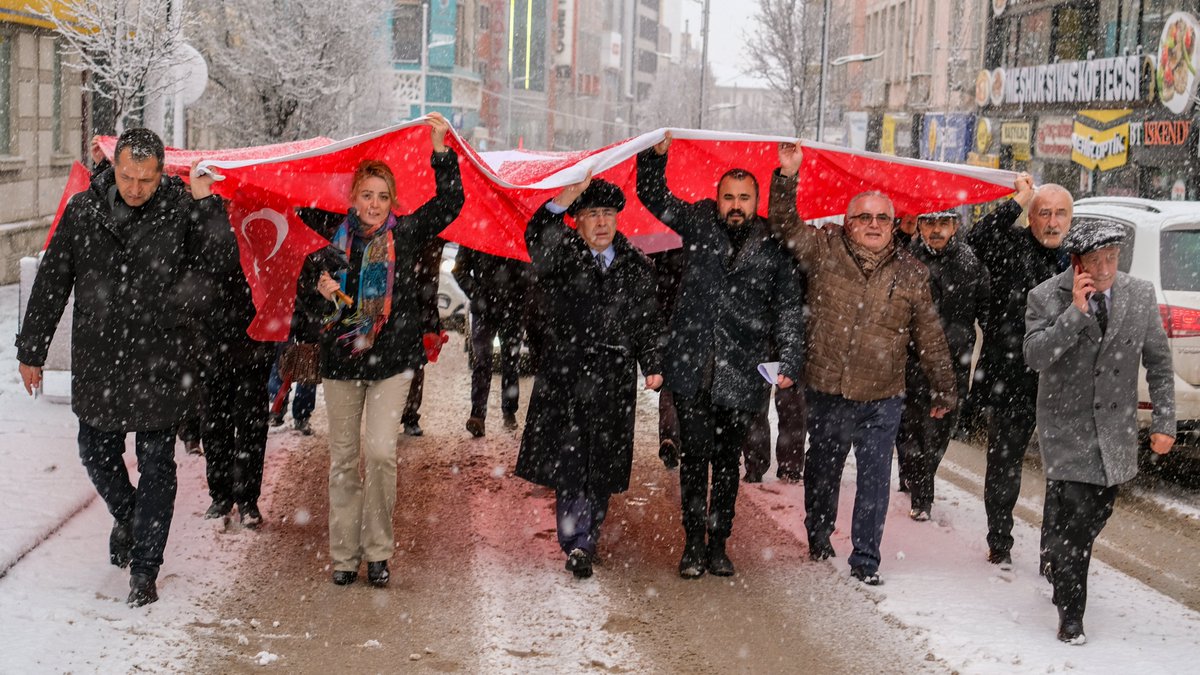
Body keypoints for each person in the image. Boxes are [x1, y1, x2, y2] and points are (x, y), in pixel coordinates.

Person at [16, 128, 234, 607]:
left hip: (162, 359)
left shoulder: (181, 211)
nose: (135, 188)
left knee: (158, 464)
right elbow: (52, 281)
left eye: (146, 179)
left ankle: (146, 568)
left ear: (162, 175)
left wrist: (207, 206)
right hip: (100, 360)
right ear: (113, 168)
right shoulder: (83, 210)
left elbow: (219, 268)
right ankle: (129, 514)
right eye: (127, 176)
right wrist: (31, 350)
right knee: (95, 451)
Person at [768, 142, 956, 585]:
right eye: (864, 217)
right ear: (849, 222)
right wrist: (787, 176)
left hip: (883, 396)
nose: (873, 225)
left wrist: (945, 387)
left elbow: (930, 334)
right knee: (824, 468)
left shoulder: (912, 273)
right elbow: (783, 224)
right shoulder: (823, 249)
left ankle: (866, 559)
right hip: (829, 388)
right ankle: (818, 536)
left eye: (882, 218)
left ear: (895, 225)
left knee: (875, 479)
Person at [637, 134, 805, 579]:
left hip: (742, 371)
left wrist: (789, 360)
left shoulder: (773, 243)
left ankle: (719, 544)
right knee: (695, 461)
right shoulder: (698, 223)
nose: (736, 204)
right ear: (717, 199)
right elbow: (652, 195)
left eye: (744, 198)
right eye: (728, 196)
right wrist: (656, 157)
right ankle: (693, 544)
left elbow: (789, 305)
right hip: (693, 368)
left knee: (728, 462)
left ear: (756, 201)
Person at [312, 113, 463, 587]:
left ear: (392, 201)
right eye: (366, 195)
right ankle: (343, 556)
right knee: (342, 460)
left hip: (391, 361)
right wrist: (319, 289)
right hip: (340, 361)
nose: (374, 205)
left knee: (378, 452)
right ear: (353, 198)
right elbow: (276, 196)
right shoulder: (329, 240)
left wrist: (441, 151)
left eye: (382, 196)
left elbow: (451, 201)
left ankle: (377, 551)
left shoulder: (408, 234)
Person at [1024, 219, 1175, 644]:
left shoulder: (1140, 295)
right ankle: (1072, 615)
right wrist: (1075, 313)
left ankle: (1056, 555)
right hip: (1065, 427)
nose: (1106, 268)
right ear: (1077, 262)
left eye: (1112, 258)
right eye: (1096, 260)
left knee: (1094, 513)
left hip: (1114, 428)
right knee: (1076, 523)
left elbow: (1160, 364)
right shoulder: (1046, 295)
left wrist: (1164, 422)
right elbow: (1035, 356)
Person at [514, 176, 663, 579]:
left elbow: (647, 323)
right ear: (576, 221)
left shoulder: (636, 266)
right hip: (566, 374)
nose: (601, 222)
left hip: (613, 379)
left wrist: (652, 363)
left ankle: (589, 531)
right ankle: (576, 542)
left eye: (608, 214)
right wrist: (564, 197)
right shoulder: (561, 255)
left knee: (602, 462)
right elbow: (536, 233)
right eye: (592, 214)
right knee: (570, 461)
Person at [965, 176, 1067, 569]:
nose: (1053, 221)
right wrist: (1018, 200)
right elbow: (975, 238)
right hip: (1011, 376)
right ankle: (1000, 541)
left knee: (1061, 472)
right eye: (1044, 213)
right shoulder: (1008, 245)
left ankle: (1055, 553)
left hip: (1061, 382)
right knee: (1005, 464)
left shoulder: (1077, 258)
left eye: (1060, 213)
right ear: (1031, 217)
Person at [895, 210, 990, 521]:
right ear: (920, 225)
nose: (937, 230)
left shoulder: (970, 262)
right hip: (912, 360)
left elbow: (985, 310)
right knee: (913, 429)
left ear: (955, 225)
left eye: (943, 223)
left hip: (954, 361)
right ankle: (922, 496)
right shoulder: (906, 259)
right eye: (930, 223)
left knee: (940, 430)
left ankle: (919, 478)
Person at [200, 225, 275, 528]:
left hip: (253, 338)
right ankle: (220, 496)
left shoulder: (259, 209)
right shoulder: (201, 208)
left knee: (251, 422)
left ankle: (247, 499)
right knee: (214, 421)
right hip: (209, 338)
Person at [453, 245, 531, 437]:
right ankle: (477, 415)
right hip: (483, 310)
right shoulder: (477, 235)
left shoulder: (518, 231)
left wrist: (520, 293)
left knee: (510, 361)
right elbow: (459, 270)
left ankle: (509, 410)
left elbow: (531, 269)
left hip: (512, 310)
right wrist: (477, 293)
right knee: (482, 362)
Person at [401, 236, 448, 437]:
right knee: (394, 365)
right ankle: (392, 414)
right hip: (396, 305)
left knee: (416, 365)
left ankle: (410, 415)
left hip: (422, 310)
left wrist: (432, 323)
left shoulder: (433, 238)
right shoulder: (396, 229)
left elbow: (431, 284)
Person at [649, 247, 687, 469]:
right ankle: (684, 438)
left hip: (666, 326)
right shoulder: (698, 241)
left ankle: (670, 436)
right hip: (691, 325)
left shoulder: (659, 244)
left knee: (669, 388)